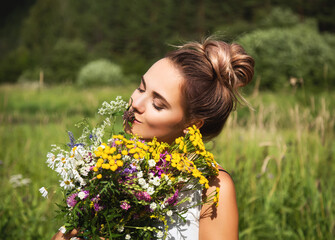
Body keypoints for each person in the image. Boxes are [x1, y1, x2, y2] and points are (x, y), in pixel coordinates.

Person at [52, 37, 254, 240]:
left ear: (192, 124)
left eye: (158, 104)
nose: (136, 103)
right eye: (141, 88)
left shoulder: (212, 187)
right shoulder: (108, 167)